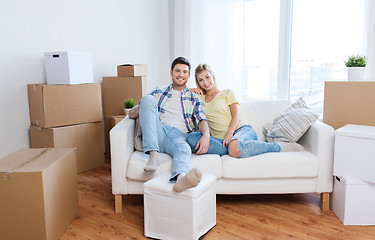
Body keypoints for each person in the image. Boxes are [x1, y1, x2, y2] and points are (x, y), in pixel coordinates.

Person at [128, 57, 210, 192]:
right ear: (171, 72)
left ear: (189, 75)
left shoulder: (194, 97)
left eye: (184, 72)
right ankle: (153, 154)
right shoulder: (158, 91)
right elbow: (131, 115)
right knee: (147, 99)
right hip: (157, 130)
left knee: (184, 150)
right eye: (178, 71)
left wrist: (206, 135)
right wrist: (142, 106)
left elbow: (202, 119)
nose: (181, 75)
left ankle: (181, 178)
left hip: (179, 136)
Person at [187, 64, 303, 158]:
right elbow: (178, 93)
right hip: (219, 141)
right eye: (200, 80)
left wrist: (229, 134)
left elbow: (236, 115)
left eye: (207, 77)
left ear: (212, 76)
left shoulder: (226, 93)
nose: (205, 82)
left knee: (234, 147)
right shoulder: (199, 99)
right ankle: (237, 148)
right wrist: (190, 89)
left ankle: (278, 146)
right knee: (190, 138)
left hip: (240, 130)